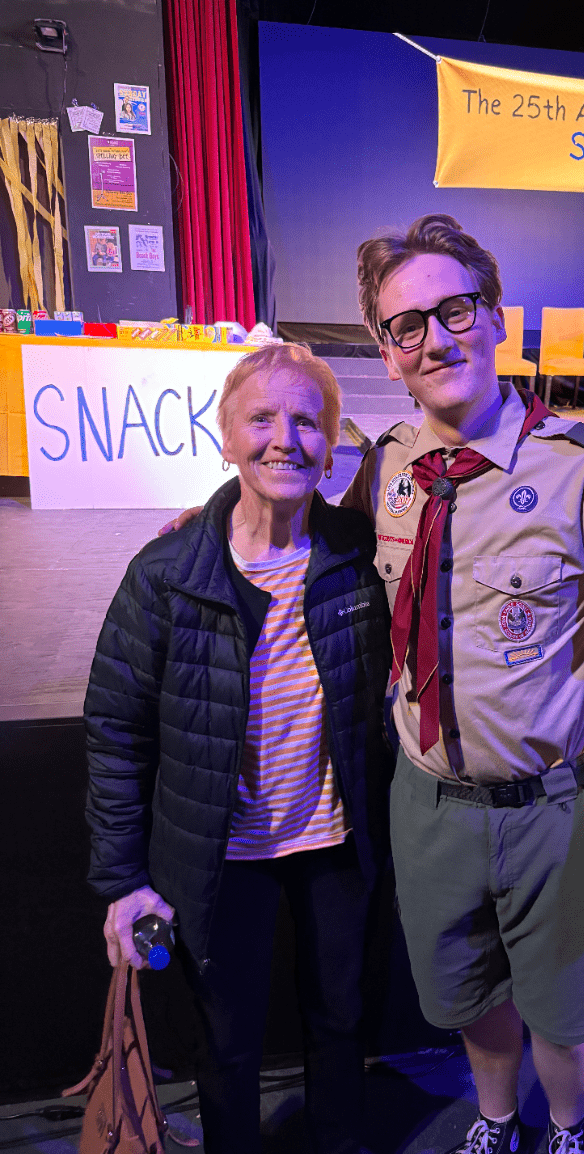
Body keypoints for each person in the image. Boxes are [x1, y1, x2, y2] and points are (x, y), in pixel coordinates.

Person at [341, 214, 584, 1154]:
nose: (434, 339)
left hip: (556, 810)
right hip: (429, 803)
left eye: (454, 310)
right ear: (387, 353)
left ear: (495, 316)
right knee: (467, 998)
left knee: (564, 1012)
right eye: (406, 326)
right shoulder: (386, 468)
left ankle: (567, 1129)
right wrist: (214, 517)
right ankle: (495, 1120)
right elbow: (296, 524)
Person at [84, 343, 392, 1154]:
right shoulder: (166, 573)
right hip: (220, 860)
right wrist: (123, 882)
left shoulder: (362, 556)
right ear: (226, 438)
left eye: (307, 421)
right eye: (262, 419)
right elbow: (116, 730)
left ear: (332, 444)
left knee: (341, 1020)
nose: (285, 438)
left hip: (336, 848)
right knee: (225, 1044)